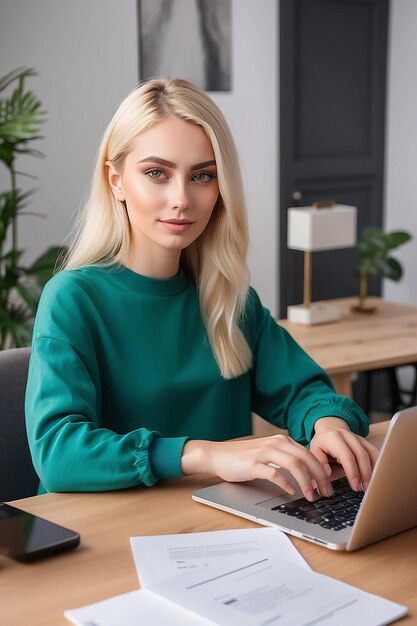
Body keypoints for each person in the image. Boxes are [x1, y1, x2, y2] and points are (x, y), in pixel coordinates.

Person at [25, 78, 378, 499]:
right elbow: (58, 453)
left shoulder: (228, 298)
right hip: (104, 540)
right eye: (157, 173)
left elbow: (305, 390)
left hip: (217, 529)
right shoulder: (73, 299)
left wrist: (329, 426)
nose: (181, 199)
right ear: (116, 180)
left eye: (202, 176)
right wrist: (208, 456)